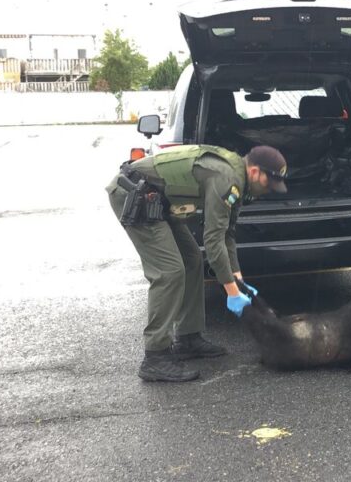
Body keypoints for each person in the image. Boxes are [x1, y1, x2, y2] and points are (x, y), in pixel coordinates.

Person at [106, 144, 288, 382]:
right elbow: (212, 240)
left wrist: (238, 278)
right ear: (255, 172)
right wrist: (231, 291)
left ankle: (188, 337)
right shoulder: (227, 180)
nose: (268, 189)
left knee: (192, 260)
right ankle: (155, 356)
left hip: (158, 200)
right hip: (134, 195)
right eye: (268, 182)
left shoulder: (239, 180)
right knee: (169, 271)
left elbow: (227, 234)